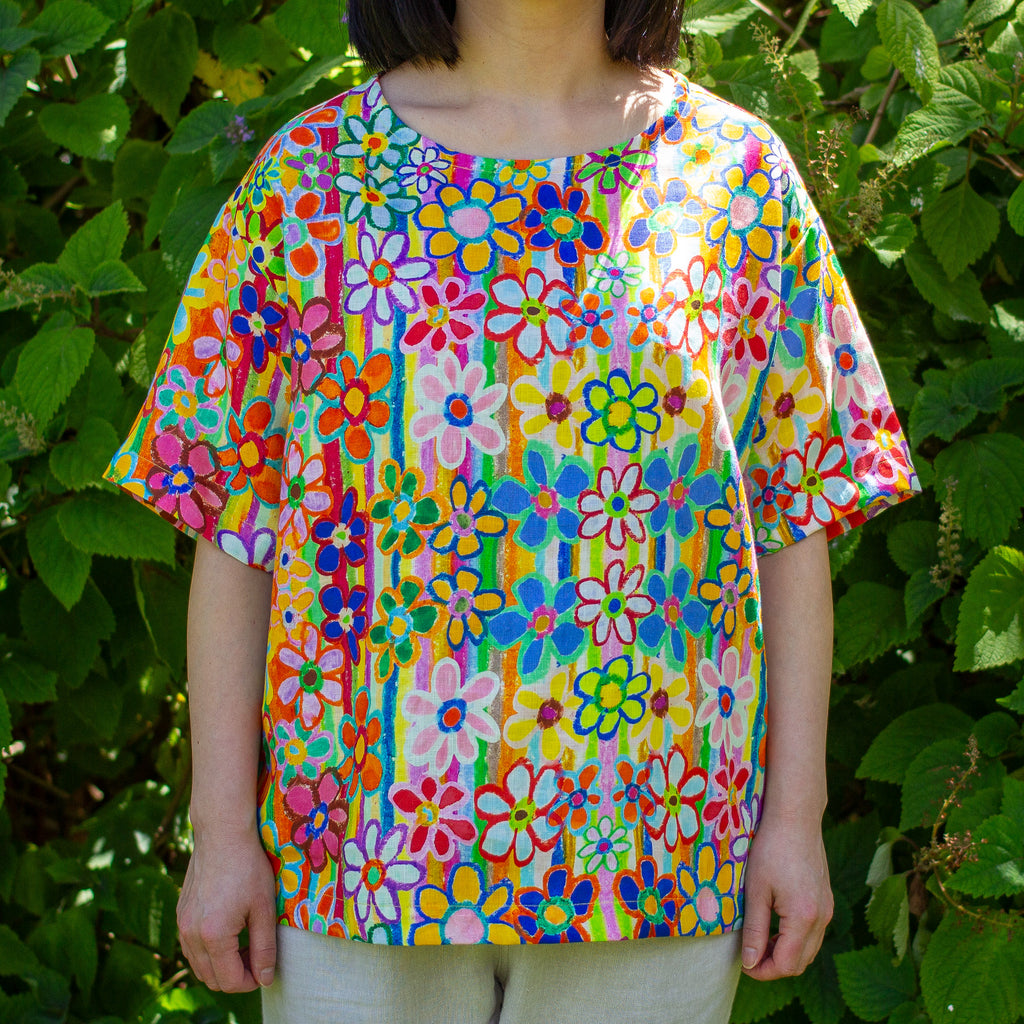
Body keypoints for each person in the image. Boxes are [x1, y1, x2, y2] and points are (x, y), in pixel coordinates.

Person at [101, 1, 923, 1021]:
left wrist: (793, 824)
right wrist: (221, 834)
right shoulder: (311, 180)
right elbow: (234, 523)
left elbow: (793, 518)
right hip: (358, 855)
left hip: (648, 850)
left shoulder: (735, 176)